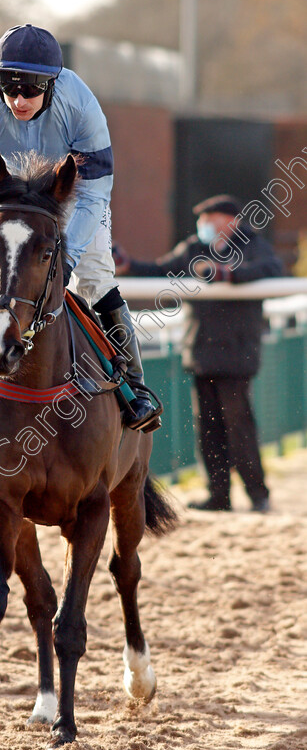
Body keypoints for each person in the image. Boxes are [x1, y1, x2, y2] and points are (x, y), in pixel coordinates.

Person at [0, 23, 161, 437]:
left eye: (30, 91)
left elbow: (93, 194)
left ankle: (132, 386)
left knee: (95, 278)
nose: (18, 100)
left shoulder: (81, 105)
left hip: (72, 198)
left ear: (52, 85)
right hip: (10, 201)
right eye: (9, 89)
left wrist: (68, 251)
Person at [114, 194, 284, 513]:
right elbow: (161, 269)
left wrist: (227, 275)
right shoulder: (193, 248)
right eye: (202, 220)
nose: (204, 225)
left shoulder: (253, 245)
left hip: (237, 353)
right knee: (207, 427)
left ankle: (257, 494)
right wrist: (127, 264)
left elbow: (271, 268)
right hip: (202, 352)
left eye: (212, 219)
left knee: (239, 425)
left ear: (232, 222)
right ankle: (218, 495)